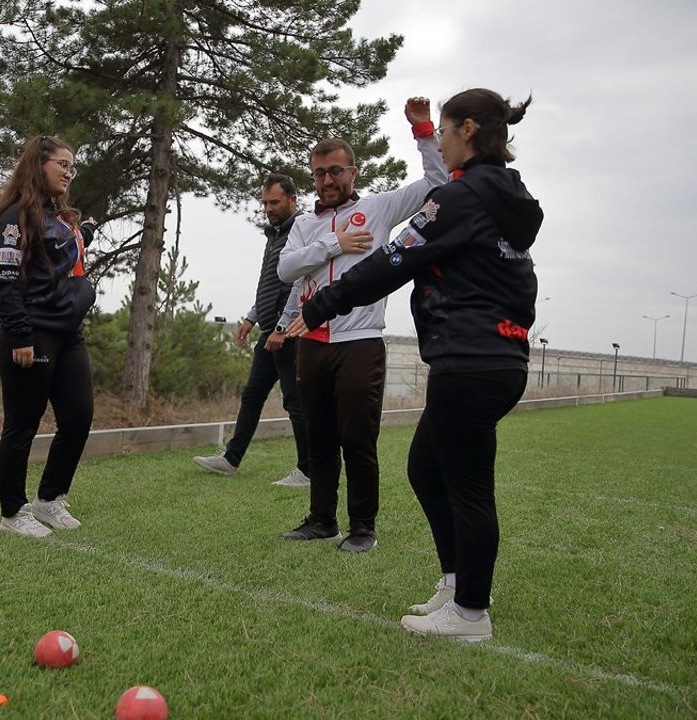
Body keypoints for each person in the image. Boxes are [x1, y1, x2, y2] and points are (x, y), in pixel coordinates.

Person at [285, 89, 542, 640]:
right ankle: (457, 583)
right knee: (426, 469)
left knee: (468, 485)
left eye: (445, 131)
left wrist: (322, 303)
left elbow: (391, 261)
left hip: (471, 359)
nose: (442, 141)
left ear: (467, 130)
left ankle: (471, 613)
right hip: (493, 355)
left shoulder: (461, 199)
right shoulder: (505, 197)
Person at [274, 97, 448, 553]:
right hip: (310, 341)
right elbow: (286, 269)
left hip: (360, 342)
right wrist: (335, 243)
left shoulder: (379, 208)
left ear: (353, 172)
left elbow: (437, 182)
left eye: (336, 171)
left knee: (357, 439)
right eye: (319, 173)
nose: (327, 180)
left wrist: (424, 131)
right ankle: (320, 520)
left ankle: (363, 527)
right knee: (319, 438)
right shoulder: (305, 224)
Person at [0, 135, 96, 538]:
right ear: (39, 164)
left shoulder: (57, 216)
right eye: (62, 164)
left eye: (72, 166)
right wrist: (21, 335)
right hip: (31, 335)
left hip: (69, 335)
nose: (69, 172)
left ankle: (49, 500)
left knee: (78, 418)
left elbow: (56, 261)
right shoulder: (15, 216)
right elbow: (5, 282)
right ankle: (13, 513)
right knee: (22, 425)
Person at [192, 173, 310, 487]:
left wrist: (283, 328)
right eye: (265, 203)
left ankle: (308, 469)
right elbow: (270, 284)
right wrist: (252, 316)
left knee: (294, 400)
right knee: (252, 395)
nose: (268, 208)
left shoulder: (302, 228)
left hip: (288, 332)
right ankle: (231, 459)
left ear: (292, 199)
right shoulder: (274, 234)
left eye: (275, 202)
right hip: (269, 329)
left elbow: (298, 283)